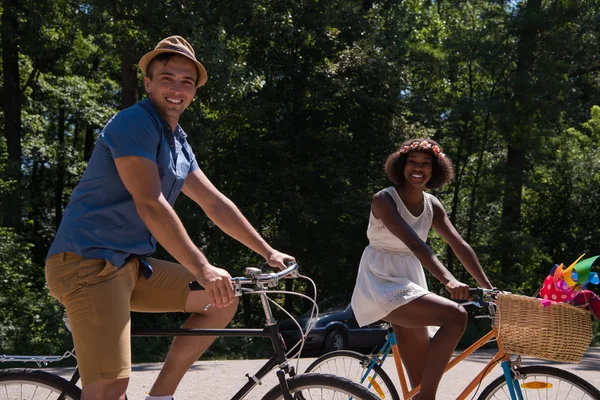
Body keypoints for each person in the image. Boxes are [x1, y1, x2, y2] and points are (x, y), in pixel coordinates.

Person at [44, 35, 294, 400]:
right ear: (148, 82)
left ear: (194, 91)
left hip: (129, 266)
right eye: (167, 77)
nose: (177, 88)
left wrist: (268, 252)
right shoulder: (134, 123)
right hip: (88, 264)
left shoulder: (177, 140)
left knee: (221, 298)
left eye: (187, 82)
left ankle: (160, 397)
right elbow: (150, 202)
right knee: (111, 386)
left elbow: (215, 204)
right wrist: (202, 267)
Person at [351, 138, 493, 400]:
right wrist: (449, 280)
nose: (418, 168)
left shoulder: (432, 206)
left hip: (410, 282)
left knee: (418, 386)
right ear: (401, 166)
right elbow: (415, 244)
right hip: (381, 281)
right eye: (412, 162)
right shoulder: (384, 199)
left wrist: (489, 288)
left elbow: (458, 244)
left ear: (435, 170)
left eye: (426, 164)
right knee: (455, 316)